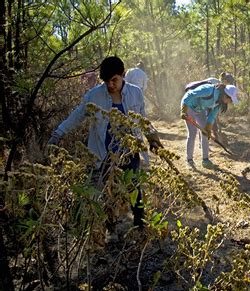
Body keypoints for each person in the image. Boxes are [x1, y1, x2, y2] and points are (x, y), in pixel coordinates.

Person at [47, 56, 162, 240]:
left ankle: (140, 226)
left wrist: (152, 138)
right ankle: (111, 230)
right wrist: (58, 133)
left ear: (123, 75)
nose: (110, 85)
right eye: (106, 81)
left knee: (134, 189)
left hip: (129, 152)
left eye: (114, 80)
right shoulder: (94, 96)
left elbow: (143, 119)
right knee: (106, 193)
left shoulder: (136, 93)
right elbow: (77, 115)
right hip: (103, 154)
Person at [180, 83, 238, 169]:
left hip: (200, 109)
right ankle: (189, 160)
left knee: (205, 134)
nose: (231, 102)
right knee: (192, 133)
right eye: (231, 100)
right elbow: (190, 95)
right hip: (189, 106)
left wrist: (208, 128)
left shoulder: (220, 102)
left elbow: (212, 116)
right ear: (226, 96)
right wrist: (184, 110)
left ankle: (205, 160)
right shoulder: (208, 90)